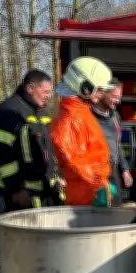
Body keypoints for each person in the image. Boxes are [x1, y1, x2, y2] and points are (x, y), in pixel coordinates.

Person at [0, 69, 66, 211]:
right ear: (30, 88)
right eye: (45, 92)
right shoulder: (8, 111)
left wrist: (58, 175)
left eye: (50, 92)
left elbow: (48, 148)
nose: (49, 97)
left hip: (46, 190)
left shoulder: (41, 111)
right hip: (23, 195)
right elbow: (2, 154)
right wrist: (16, 189)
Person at [50, 56, 114, 206]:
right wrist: (99, 186)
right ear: (85, 87)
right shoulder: (70, 119)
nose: (102, 93)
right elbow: (76, 162)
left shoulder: (80, 113)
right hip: (85, 198)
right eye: (99, 89)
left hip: (89, 194)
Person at [91, 78, 133, 206]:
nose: (118, 101)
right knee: (98, 216)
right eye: (114, 96)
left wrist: (125, 170)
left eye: (119, 97)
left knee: (115, 212)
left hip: (113, 173)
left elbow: (118, 145)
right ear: (103, 93)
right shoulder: (88, 117)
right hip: (94, 174)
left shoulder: (115, 116)